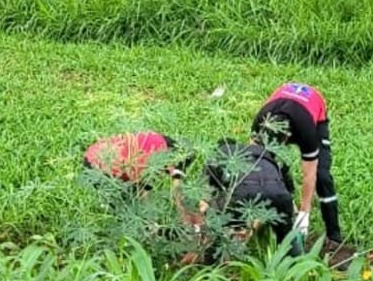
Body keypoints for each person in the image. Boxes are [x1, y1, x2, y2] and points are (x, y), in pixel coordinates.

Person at [82, 131, 296, 257]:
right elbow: (152, 191)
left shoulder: (157, 146)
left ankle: (205, 260)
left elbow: (187, 192)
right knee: (129, 210)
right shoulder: (157, 153)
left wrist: (189, 218)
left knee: (221, 229)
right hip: (104, 167)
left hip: (92, 158)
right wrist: (184, 218)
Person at [251, 82, 341, 245]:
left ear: (288, 137)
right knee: (269, 164)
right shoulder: (260, 122)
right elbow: (253, 161)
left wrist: (304, 213)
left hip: (312, 105)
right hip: (281, 99)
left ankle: (334, 237)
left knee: (322, 177)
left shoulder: (305, 129)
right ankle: (287, 199)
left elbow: (309, 175)